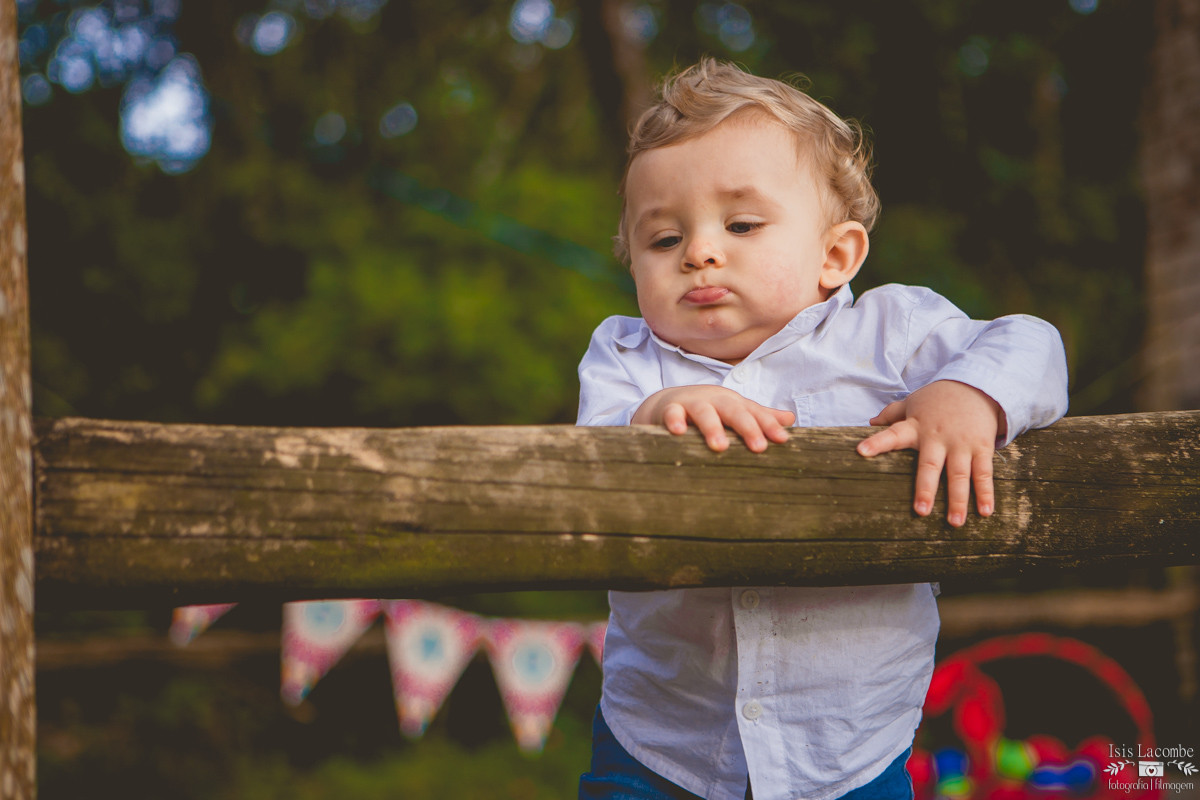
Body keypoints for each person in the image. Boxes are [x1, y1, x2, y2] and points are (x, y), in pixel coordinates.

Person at [575, 59, 1069, 800]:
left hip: (849, 748)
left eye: (741, 224)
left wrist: (969, 395)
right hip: (661, 742)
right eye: (664, 239)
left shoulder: (892, 334)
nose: (700, 252)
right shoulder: (625, 354)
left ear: (836, 256)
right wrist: (651, 417)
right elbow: (582, 463)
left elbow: (1034, 345)